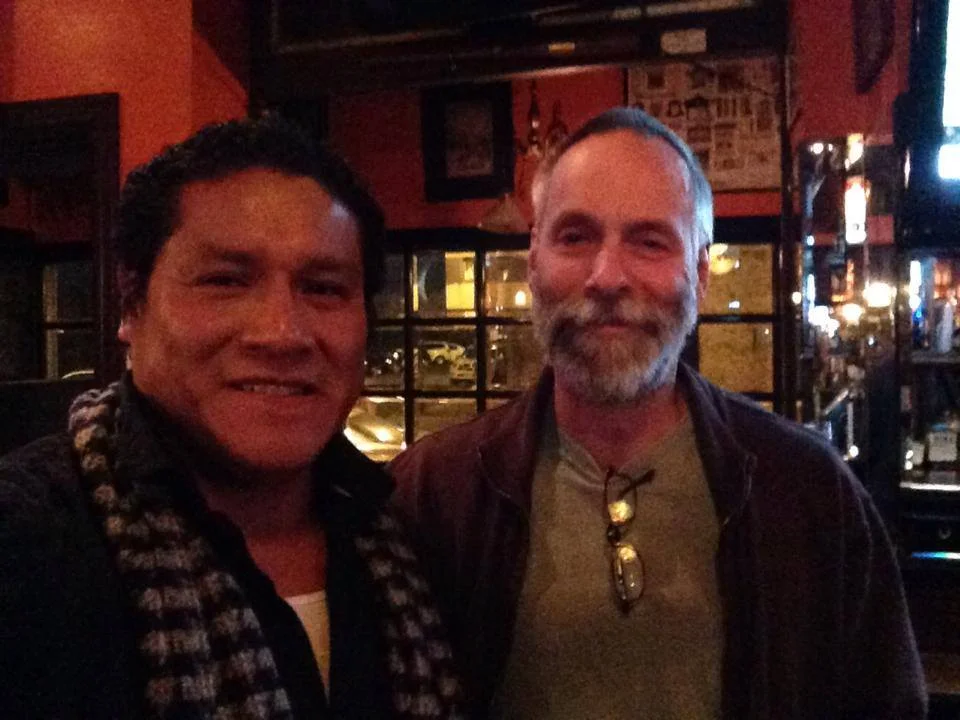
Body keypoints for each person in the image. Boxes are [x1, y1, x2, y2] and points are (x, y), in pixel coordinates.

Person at [389, 108, 926, 719]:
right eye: (575, 237)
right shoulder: (434, 493)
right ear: (533, 260)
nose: (607, 277)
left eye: (649, 242)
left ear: (700, 272)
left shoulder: (808, 491)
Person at [0, 117, 462, 719]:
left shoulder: (413, 541)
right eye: (224, 281)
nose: (282, 333)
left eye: (324, 288)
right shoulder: (28, 545)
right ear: (131, 306)